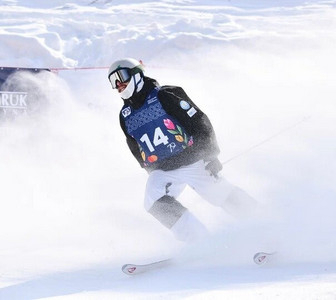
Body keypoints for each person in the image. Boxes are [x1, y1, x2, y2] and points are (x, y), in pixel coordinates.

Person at [108, 58, 258, 242]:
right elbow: (133, 144)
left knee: (217, 193)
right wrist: (148, 167)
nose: (118, 84)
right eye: (113, 82)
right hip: (163, 169)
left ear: (137, 74)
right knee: (152, 200)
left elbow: (199, 120)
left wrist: (211, 154)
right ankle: (198, 240)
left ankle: (261, 221)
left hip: (193, 160)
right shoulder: (126, 115)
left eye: (121, 76)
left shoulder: (165, 95)